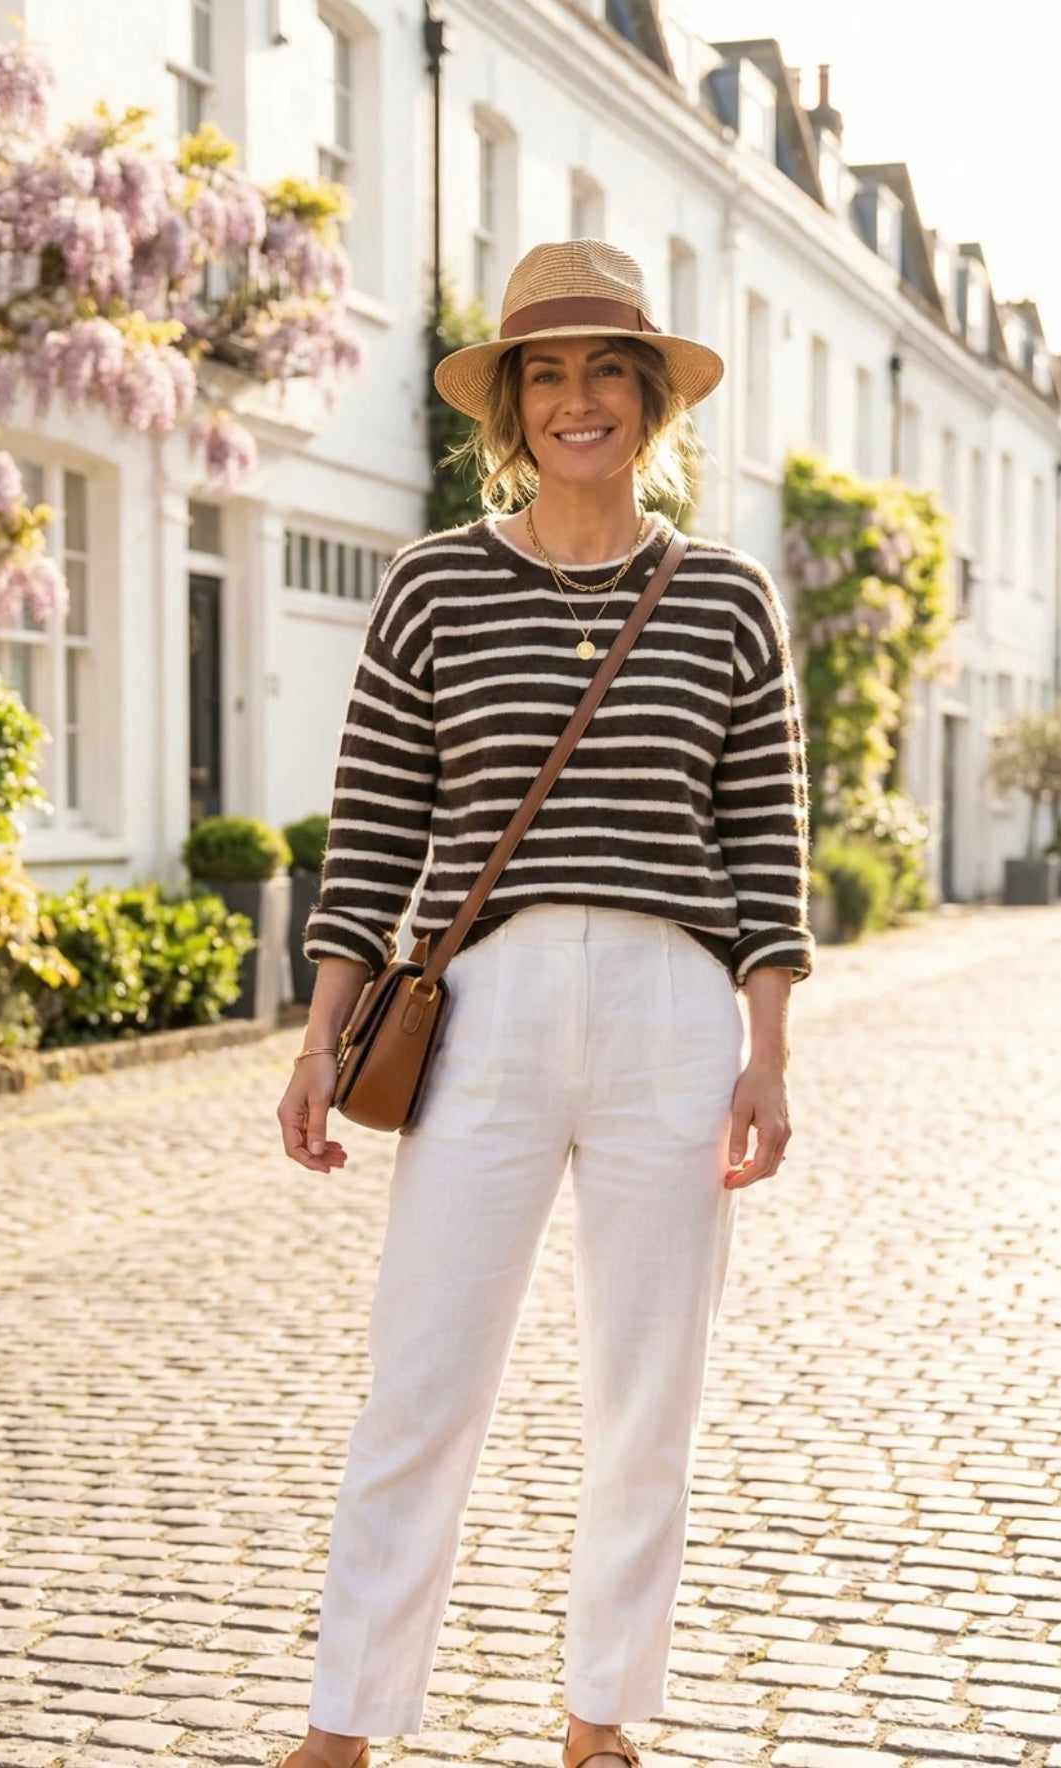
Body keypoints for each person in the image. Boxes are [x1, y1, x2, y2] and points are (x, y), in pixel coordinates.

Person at [274, 238, 813, 1768]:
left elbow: (763, 837)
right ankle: (345, 1723)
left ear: (650, 399)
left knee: (649, 1387)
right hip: (483, 1010)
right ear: (511, 405)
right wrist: (316, 1040)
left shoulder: (726, 597)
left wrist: (768, 1053)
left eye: (607, 371)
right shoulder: (432, 583)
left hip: (671, 1011)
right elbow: (374, 827)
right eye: (548, 374)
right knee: (423, 1377)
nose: (579, 399)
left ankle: (600, 1718)